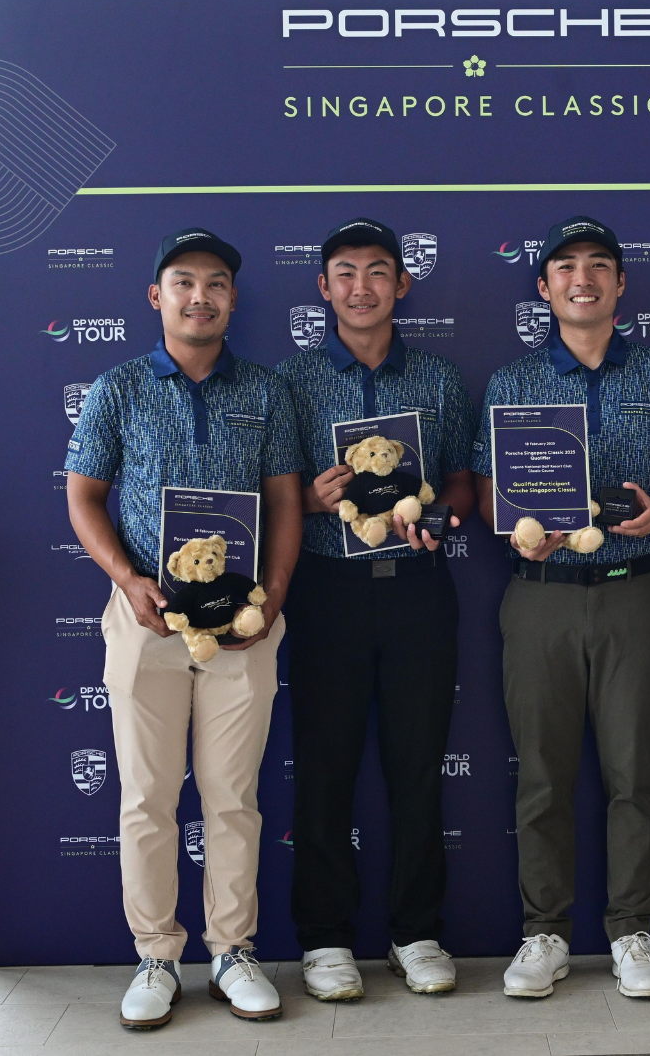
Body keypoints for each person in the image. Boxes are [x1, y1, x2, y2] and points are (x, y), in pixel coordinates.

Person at [64, 228, 304, 1029]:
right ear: (156, 296)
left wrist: (269, 598)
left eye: (215, 284)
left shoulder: (268, 392)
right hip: (146, 622)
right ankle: (157, 955)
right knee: (146, 798)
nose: (199, 296)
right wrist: (127, 580)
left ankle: (233, 952)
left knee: (234, 796)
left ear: (234, 299)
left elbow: (285, 503)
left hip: (243, 626)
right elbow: (84, 496)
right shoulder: (119, 387)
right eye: (183, 283)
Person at [473, 216, 650, 1001]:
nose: (583, 279)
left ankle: (632, 928)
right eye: (565, 268)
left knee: (634, 774)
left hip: (633, 591)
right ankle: (544, 934)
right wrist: (515, 524)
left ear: (620, 284)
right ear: (543, 288)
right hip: (537, 600)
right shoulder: (511, 383)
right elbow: (482, 489)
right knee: (540, 776)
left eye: (599, 266)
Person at [273, 219, 477, 1001]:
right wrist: (311, 500)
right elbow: (273, 492)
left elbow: (460, 478)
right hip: (326, 592)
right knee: (324, 770)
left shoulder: (438, 377)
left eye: (378, 272)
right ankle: (326, 939)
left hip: (419, 591)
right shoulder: (287, 384)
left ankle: (415, 932)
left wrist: (443, 518)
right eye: (346, 273)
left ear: (403, 284)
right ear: (323, 288)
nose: (362, 287)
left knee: (417, 768)